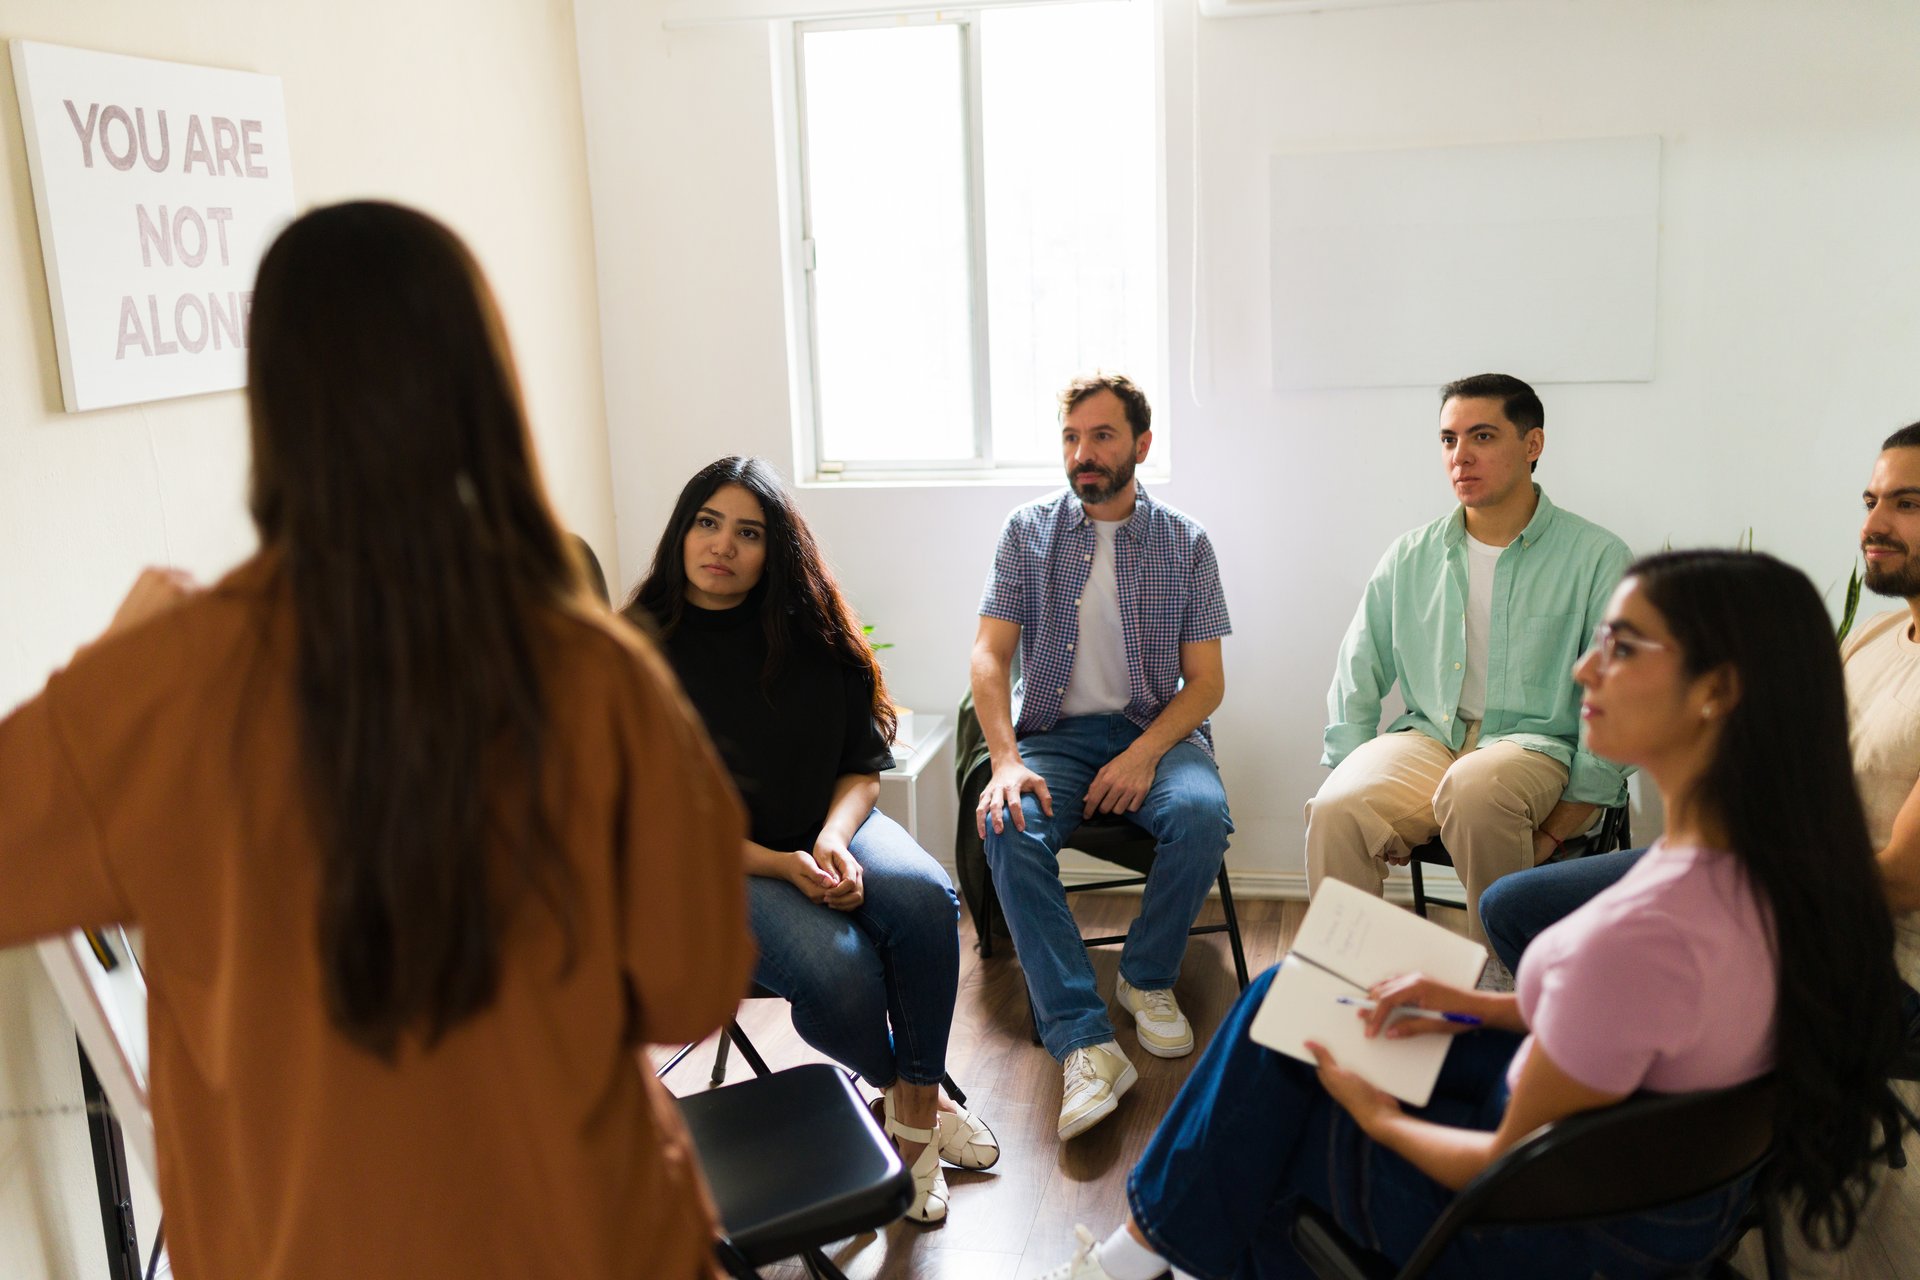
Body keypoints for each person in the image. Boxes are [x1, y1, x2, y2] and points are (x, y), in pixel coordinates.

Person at [0, 202, 754, 1278]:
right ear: (481, 391)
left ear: (280, 408)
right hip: (586, 1236)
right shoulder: (595, 673)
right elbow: (692, 985)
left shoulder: (162, 687)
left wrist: (116, 651)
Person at [1044, 550, 1904, 1280]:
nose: (1585, 669)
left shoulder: (1639, 935)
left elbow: (1502, 1166)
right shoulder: (1783, 873)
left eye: (1623, 646)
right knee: (1291, 997)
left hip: (1555, 1229)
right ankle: (1142, 1253)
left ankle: (1140, 1253)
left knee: (1274, 1121)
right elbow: (1652, 1027)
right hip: (1674, 1204)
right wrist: (1485, 1004)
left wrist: (1375, 1115)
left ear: (1717, 691)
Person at [627, 456, 997, 1224]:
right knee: (840, 969)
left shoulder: (807, 634)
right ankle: (914, 1104)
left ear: (774, 552)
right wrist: (781, 866)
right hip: (709, 867)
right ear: (681, 531)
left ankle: (911, 1114)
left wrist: (832, 841)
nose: (722, 544)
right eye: (707, 522)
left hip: (820, 831)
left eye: (747, 532)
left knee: (927, 900)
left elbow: (862, 767)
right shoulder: (636, 649)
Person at [1481, 422, 1920, 1030]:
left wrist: (1720, 883)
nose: (1874, 525)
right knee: (1513, 906)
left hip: (1868, 945)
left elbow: (1899, 881)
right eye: (1871, 502)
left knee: (1608, 957)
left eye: (1908, 504)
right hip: (1769, 869)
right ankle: (1585, 1060)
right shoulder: (1875, 637)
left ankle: (1628, 1078)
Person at [972, 373, 1233, 1141]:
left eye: (1102, 436)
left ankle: (1146, 978)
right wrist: (1005, 760)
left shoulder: (1186, 542)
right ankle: (1084, 1041)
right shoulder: (1027, 532)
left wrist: (1146, 754)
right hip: (1052, 737)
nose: (1083, 454)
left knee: (1200, 816)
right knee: (1006, 822)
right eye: (1071, 438)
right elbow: (989, 659)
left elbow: (1207, 684)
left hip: (1158, 730)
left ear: (1141, 445)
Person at [1308, 373, 1632, 945]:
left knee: (1476, 787)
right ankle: (1349, 996)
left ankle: (1500, 985)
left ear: (1532, 445)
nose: (1461, 457)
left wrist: (1563, 825)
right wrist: (1356, 772)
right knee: (1337, 807)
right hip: (1430, 737)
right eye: (1448, 440)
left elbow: (1618, 697)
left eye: (1482, 437)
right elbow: (1358, 670)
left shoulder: (1597, 557)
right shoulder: (1412, 555)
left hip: (1537, 746)